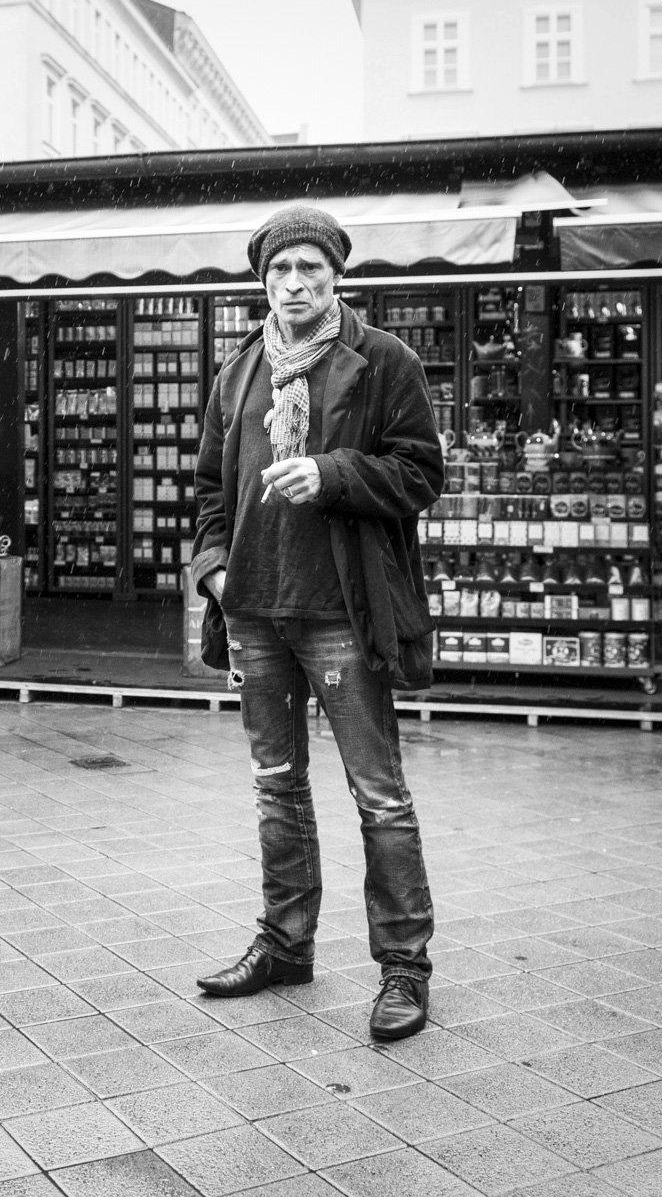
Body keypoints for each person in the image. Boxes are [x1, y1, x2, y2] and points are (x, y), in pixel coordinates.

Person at [190, 204, 444, 1041]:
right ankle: (285, 943)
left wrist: (333, 474)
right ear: (261, 281)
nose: (294, 284)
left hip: (342, 609)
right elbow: (208, 495)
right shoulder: (237, 373)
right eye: (279, 271)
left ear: (337, 275)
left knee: (379, 792)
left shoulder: (381, 361)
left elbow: (419, 474)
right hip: (255, 610)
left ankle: (404, 965)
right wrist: (215, 572)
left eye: (310, 269)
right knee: (275, 786)